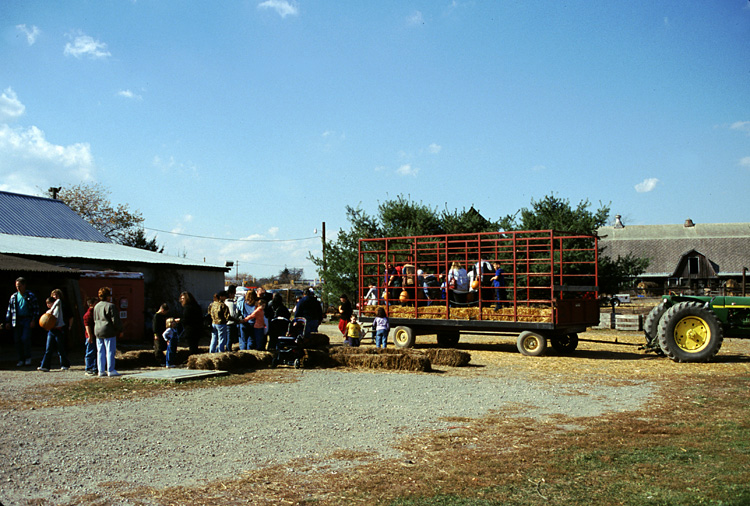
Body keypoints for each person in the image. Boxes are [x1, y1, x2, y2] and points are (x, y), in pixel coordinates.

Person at [5, 277, 40, 367]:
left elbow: (36, 309)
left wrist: (33, 320)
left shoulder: (30, 296)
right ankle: (21, 359)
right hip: (17, 320)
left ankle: (27, 357)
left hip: (27, 319)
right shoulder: (14, 297)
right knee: (17, 340)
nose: (18, 288)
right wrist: (7, 321)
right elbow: (10, 310)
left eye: (20, 286)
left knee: (25, 338)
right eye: (17, 286)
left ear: (24, 285)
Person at [38, 289, 71, 372]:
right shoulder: (47, 312)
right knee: (48, 349)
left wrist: (52, 310)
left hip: (59, 330)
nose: (55, 297)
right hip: (52, 331)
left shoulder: (58, 307)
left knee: (61, 348)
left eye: (56, 295)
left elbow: (58, 301)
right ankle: (45, 366)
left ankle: (65, 364)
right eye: (53, 296)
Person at [93, 287, 123, 377]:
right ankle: (110, 369)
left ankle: (101, 370)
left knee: (100, 351)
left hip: (98, 330)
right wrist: (120, 329)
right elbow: (115, 320)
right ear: (107, 296)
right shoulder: (110, 306)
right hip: (108, 330)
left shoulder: (96, 306)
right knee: (110, 351)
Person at [82, 297, 98, 376]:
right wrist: (90, 336)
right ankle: (89, 368)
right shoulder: (88, 314)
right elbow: (87, 326)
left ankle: (95, 368)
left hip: (94, 335)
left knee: (95, 352)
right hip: (90, 336)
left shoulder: (94, 313)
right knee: (90, 352)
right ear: (91, 304)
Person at [225, 285, 239, 352]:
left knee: (229, 338)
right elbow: (232, 313)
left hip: (229, 322)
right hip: (230, 323)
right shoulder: (229, 303)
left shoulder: (228, 302)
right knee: (229, 338)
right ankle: (228, 350)